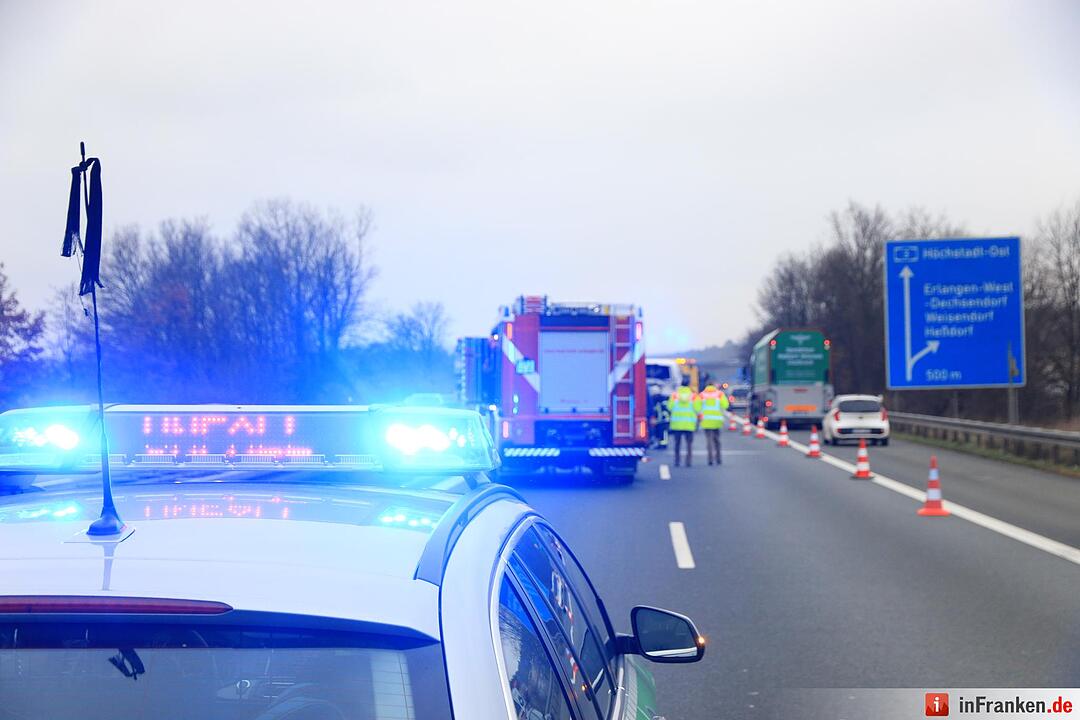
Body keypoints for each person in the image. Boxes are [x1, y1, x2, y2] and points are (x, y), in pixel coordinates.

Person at [666, 380, 699, 467]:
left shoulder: (674, 395)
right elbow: (698, 408)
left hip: (677, 424)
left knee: (677, 444)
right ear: (688, 385)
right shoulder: (693, 396)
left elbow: (669, 407)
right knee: (689, 445)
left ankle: (677, 461)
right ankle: (688, 461)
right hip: (689, 424)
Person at [698, 382, 730, 466]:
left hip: (706, 421)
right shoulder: (719, 394)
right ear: (714, 386)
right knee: (717, 441)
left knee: (709, 441)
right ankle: (718, 459)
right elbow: (726, 405)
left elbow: (697, 407)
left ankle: (710, 459)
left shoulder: (702, 395)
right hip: (717, 420)